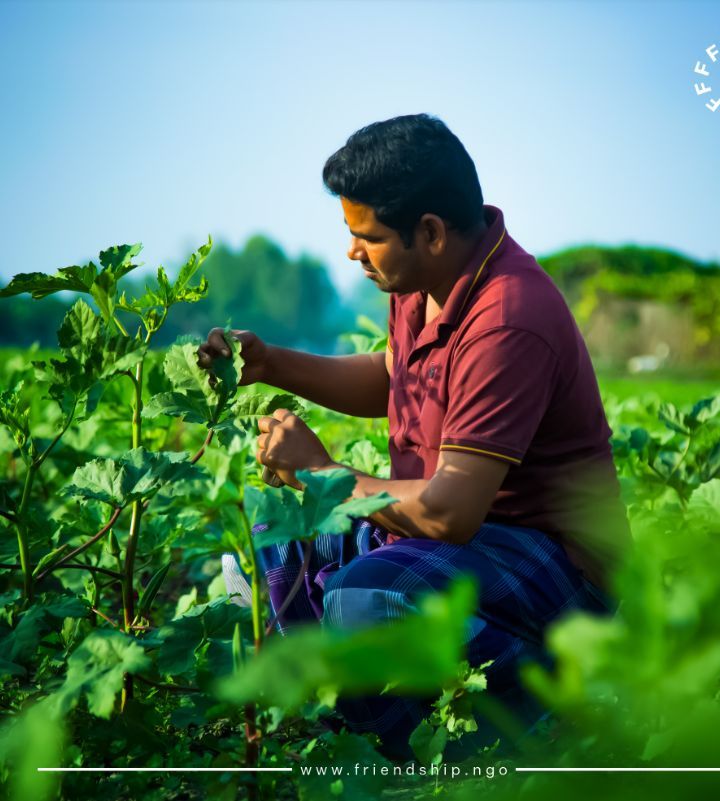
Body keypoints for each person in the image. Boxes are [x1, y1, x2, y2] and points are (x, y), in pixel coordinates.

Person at [197, 113, 631, 761]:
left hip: (559, 570)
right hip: (476, 540)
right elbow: (393, 377)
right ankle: (344, 692)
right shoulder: (425, 280)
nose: (352, 252)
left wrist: (323, 473)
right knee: (281, 518)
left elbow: (450, 512)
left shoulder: (508, 317)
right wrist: (271, 364)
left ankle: (531, 716)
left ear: (428, 231)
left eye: (364, 236)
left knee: (365, 595)